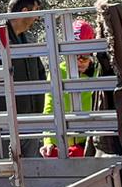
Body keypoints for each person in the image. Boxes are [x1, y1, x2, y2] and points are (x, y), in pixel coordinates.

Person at [42, 19, 102, 157]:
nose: (79, 61)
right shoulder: (58, 72)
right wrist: (48, 141)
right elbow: (49, 107)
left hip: (91, 142)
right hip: (63, 144)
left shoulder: (99, 73)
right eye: (74, 55)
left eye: (85, 56)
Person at [2, 0, 45, 157]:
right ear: (25, 12)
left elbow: (40, 72)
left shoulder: (30, 39)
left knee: (32, 176)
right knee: (4, 178)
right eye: (36, 11)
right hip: (6, 126)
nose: (37, 18)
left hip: (31, 124)